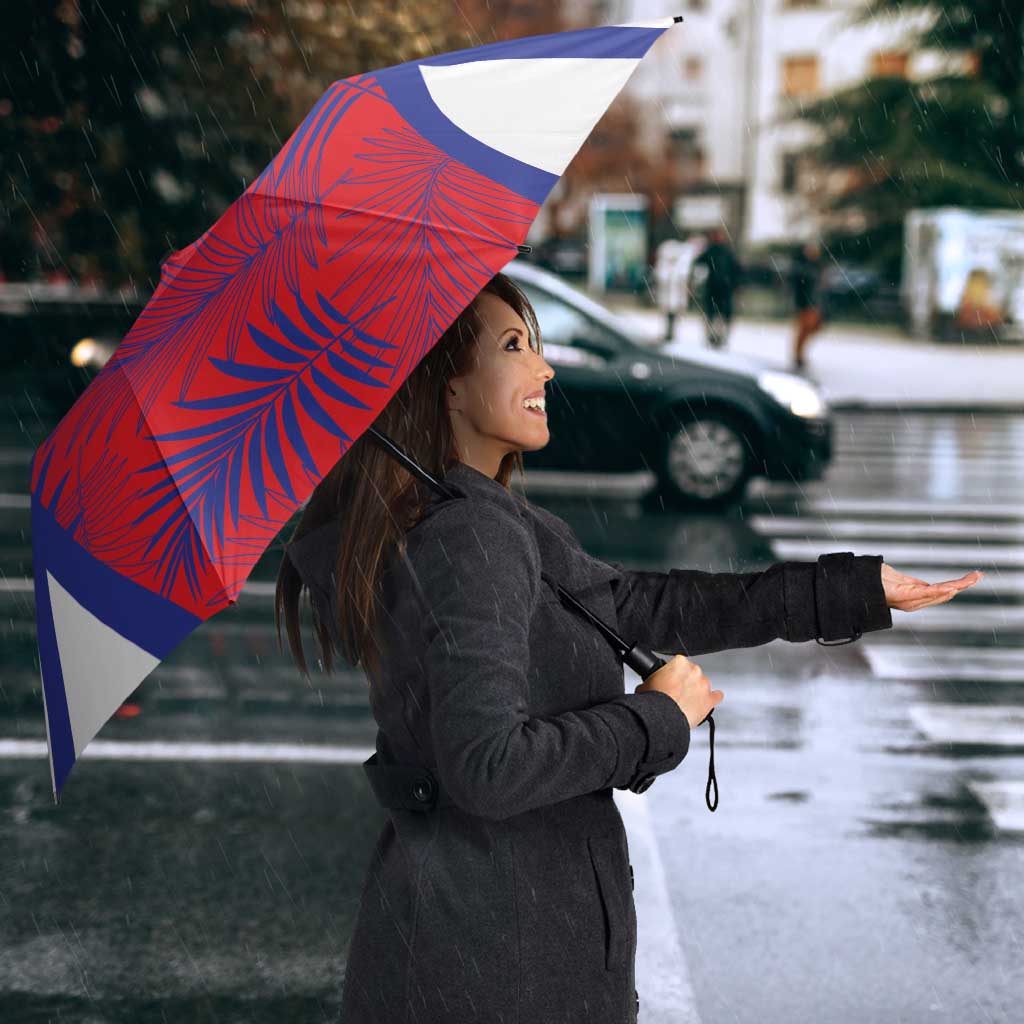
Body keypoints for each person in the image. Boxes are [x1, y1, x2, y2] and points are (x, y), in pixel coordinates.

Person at [275, 272, 980, 1024]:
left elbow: (641, 605)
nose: (544, 368)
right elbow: (487, 768)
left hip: (479, 941)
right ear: (445, 387)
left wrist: (849, 591)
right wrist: (655, 719)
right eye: (514, 346)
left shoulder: (476, 519)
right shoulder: (470, 537)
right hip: (499, 963)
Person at [692, 226, 742, 349]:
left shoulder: (725, 252)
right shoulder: (712, 251)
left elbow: (736, 270)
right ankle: (713, 337)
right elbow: (698, 264)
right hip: (715, 288)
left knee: (720, 315)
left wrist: (735, 284)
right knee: (713, 314)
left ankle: (719, 337)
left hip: (723, 288)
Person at [790, 239, 826, 370]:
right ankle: (798, 355)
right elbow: (799, 286)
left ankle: (799, 354)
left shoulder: (817, 266)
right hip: (805, 303)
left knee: (812, 328)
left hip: (814, 303)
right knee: (804, 329)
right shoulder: (802, 267)